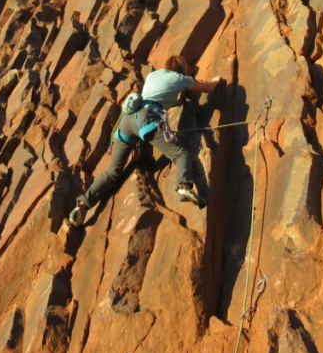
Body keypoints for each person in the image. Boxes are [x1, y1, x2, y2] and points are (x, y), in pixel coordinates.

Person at [68, 55, 222, 227]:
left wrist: (176, 102)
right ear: (183, 68)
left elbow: (158, 96)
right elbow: (207, 88)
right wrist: (216, 80)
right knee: (180, 154)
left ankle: (82, 204)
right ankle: (184, 187)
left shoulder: (152, 76)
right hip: (147, 120)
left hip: (126, 121)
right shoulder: (180, 78)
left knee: (112, 171)